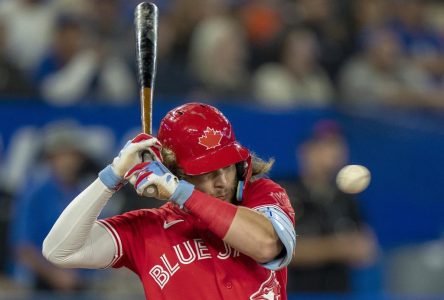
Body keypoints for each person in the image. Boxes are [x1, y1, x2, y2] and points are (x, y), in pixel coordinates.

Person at [43, 103, 296, 299]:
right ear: (175, 171)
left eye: (227, 167)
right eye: (205, 173)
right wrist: (112, 176)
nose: (222, 182)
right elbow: (59, 251)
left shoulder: (261, 194)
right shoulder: (147, 228)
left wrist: (182, 192)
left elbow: (267, 246)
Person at [281, 120, 377, 293]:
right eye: (325, 145)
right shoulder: (283, 192)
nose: (333, 153)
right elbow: (277, 250)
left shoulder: (346, 198)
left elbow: (366, 249)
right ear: (306, 151)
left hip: (337, 293)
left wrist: (360, 248)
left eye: (337, 145)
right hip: (295, 293)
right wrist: (336, 248)